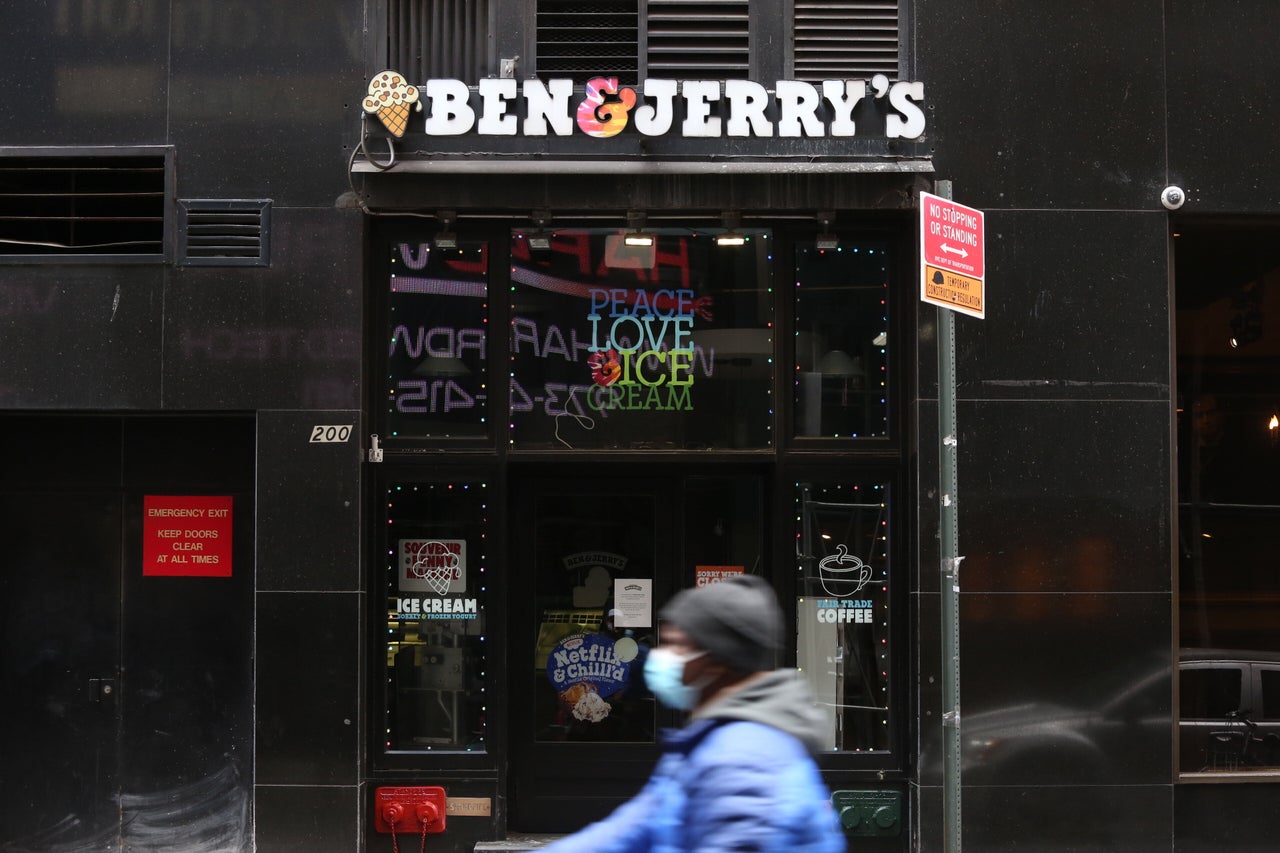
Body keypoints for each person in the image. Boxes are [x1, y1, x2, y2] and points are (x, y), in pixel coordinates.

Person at [541, 575, 846, 853]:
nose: (660, 656)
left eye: (677, 644)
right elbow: (630, 830)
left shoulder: (744, 763)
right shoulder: (705, 743)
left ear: (714, 660)